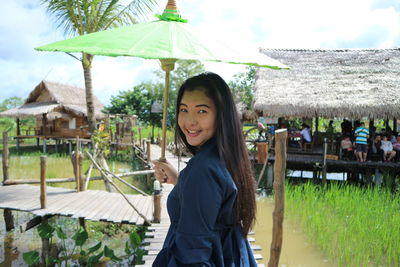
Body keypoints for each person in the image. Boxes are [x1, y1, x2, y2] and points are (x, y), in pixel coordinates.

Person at [152, 72, 257, 266]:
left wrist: (191, 179)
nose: (189, 121)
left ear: (221, 115)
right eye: (183, 110)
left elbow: (192, 254)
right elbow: (218, 201)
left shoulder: (202, 169)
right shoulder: (225, 155)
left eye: (202, 111)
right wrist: (179, 180)